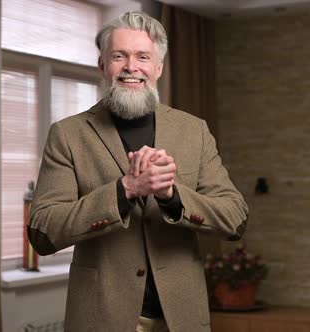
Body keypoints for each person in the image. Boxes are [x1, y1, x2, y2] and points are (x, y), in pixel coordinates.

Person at [28, 11, 248, 332]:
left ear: (158, 67)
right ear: (103, 65)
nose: (131, 67)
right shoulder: (68, 134)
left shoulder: (193, 131)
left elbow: (236, 219)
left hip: (183, 320)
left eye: (143, 57)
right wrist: (124, 189)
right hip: (102, 320)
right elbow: (42, 233)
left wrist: (172, 196)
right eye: (119, 56)